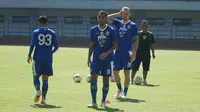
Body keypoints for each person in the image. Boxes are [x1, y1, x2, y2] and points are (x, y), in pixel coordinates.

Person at [107, 7, 139, 99]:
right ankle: (119, 89)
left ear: (129, 14)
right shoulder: (117, 23)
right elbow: (107, 18)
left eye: (126, 13)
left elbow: (136, 39)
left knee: (126, 73)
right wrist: (118, 13)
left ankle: (125, 93)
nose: (125, 15)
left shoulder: (133, 25)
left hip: (127, 53)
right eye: (123, 13)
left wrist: (134, 52)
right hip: (117, 52)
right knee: (115, 72)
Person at [87, 10, 117, 108]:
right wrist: (88, 57)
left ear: (106, 18)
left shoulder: (111, 30)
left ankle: (103, 101)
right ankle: (93, 102)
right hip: (96, 59)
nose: (100, 19)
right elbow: (91, 45)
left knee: (106, 80)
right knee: (93, 79)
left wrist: (106, 53)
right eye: (99, 17)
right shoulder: (93, 30)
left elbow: (115, 45)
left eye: (103, 17)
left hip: (107, 60)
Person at [27, 15, 59, 105]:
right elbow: (57, 46)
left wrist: (29, 55)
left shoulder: (36, 32)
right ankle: (44, 99)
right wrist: (50, 53)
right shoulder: (52, 33)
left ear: (39, 23)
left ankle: (38, 90)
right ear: (47, 23)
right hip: (48, 59)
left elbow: (32, 45)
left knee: (35, 76)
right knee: (45, 79)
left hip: (37, 58)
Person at [131, 20, 156, 85]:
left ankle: (144, 80)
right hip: (137, 54)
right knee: (134, 68)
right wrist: (132, 52)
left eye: (146, 26)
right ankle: (131, 80)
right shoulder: (138, 34)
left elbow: (152, 45)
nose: (145, 27)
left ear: (148, 26)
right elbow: (132, 43)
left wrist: (153, 53)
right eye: (143, 26)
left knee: (146, 68)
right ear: (141, 26)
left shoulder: (150, 35)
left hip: (146, 54)